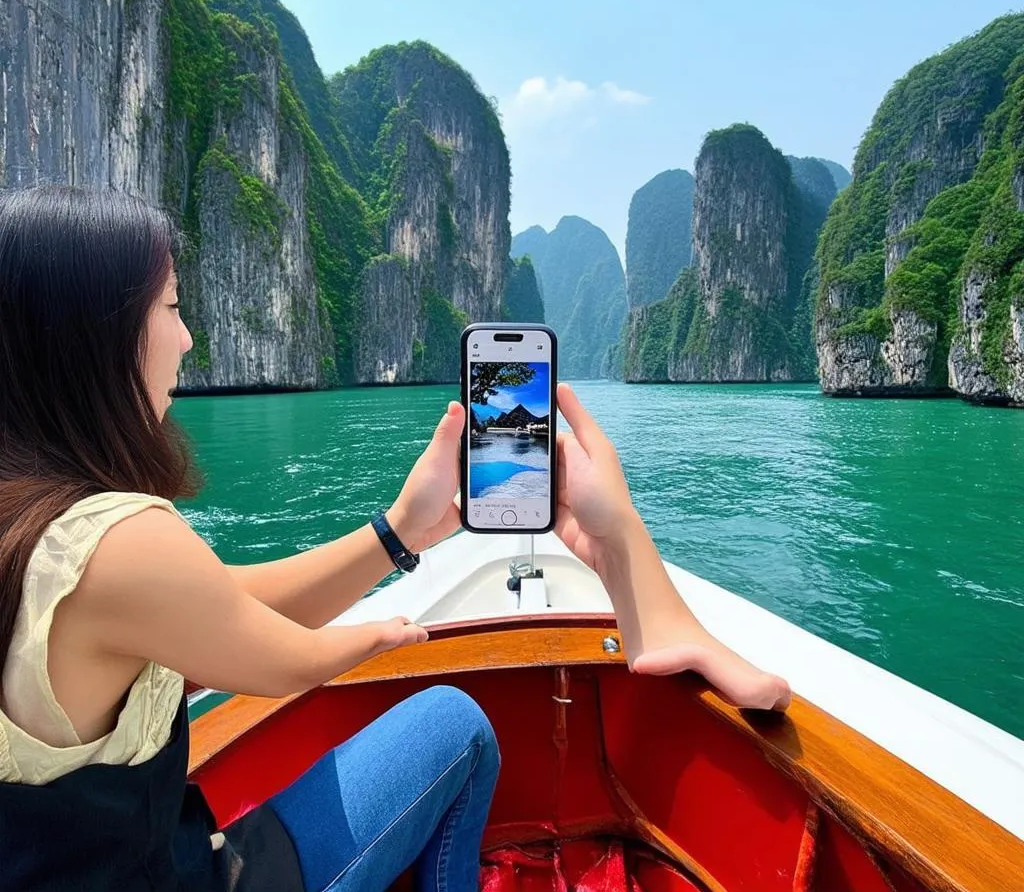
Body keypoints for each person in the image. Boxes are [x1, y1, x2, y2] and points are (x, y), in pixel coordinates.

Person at [0, 186, 789, 892]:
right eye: (172, 308)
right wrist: (387, 634)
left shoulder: (33, 524)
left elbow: (222, 604)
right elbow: (279, 660)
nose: (189, 339)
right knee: (458, 724)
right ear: (93, 337)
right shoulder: (120, 542)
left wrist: (399, 532)